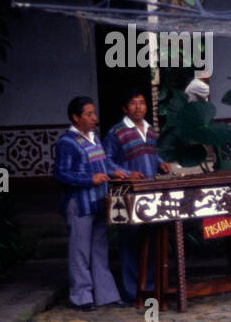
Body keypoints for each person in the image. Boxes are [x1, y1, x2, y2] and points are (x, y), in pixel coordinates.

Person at [54, 96, 133, 310]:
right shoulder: (66, 142)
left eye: (94, 113)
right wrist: (89, 179)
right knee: (80, 251)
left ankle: (106, 295)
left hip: (99, 202)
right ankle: (81, 297)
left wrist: (117, 171)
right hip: (79, 204)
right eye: (89, 114)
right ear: (75, 117)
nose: (94, 118)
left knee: (100, 249)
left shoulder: (94, 138)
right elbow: (61, 174)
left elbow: (104, 162)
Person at [103, 88, 173, 303]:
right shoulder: (116, 132)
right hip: (127, 193)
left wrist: (160, 163)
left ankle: (150, 287)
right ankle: (131, 292)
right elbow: (106, 161)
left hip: (150, 193)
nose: (139, 107)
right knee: (130, 242)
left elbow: (151, 154)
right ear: (125, 108)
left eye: (142, 102)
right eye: (133, 103)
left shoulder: (150, 130)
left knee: (151, 241)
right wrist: (125, 173)